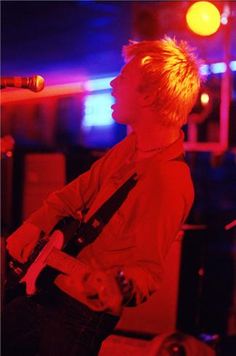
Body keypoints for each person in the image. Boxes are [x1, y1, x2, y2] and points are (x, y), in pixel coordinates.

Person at [3, 37, 201, 355]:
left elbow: (147, 271)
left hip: (80, 315)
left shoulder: (170, 179)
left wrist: (118, 285)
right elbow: (74, 195)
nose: (112, 82)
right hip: (50, 287)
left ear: (149, 96)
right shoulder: (129, 148)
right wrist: (34, 226)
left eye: (123, 77)